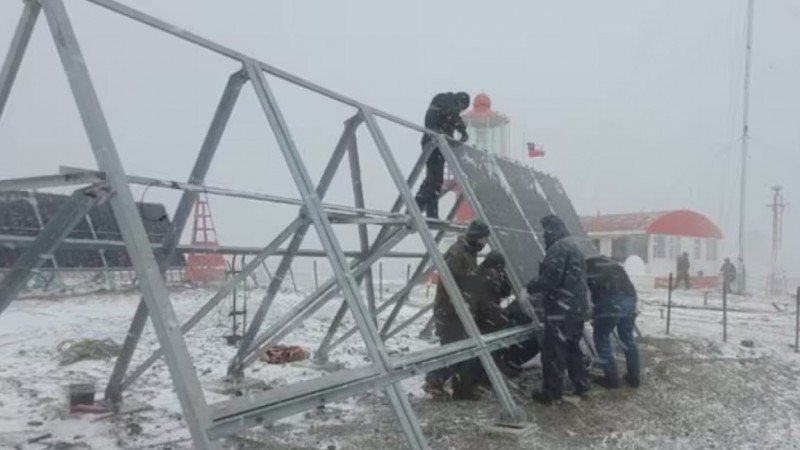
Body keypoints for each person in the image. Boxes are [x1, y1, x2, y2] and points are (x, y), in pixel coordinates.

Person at [526, 215, 591, 404]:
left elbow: (550, 279)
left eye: (545, 232)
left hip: (561, 310)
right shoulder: (574, 246)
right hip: (576, 307)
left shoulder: (558, 248)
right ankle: (582, 385)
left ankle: (551, 393)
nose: (543, 236)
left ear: (551, 230)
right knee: (572, 348)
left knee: (553, 351)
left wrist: (530, 287)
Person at [423, 219, 490, 400]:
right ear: (476, 237)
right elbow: (452, 281)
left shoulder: (468, 252)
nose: (484, 244)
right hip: (450, 310)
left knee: (462, 349)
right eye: (484, 239)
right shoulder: (458, 252)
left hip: (459, 310)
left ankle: (460, 387)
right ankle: (433, 381)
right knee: (453, 349)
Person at [586, 255, 641, 389]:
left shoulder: (583, 267)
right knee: (627, 338)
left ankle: (612, 378)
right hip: (630, 297)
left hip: (612, 300)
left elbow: (585, 292)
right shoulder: (609, 264)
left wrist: (596, 313)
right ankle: (634, 377)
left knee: (601, 337)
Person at [415, 92, 470, 219]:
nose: (460, 111)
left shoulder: (448, 106)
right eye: (462, 108)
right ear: (460, 102)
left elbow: (453, 118)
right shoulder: (446, 101)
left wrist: (461, 131)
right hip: (433, 143)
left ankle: (431, 213)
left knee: (436, 180)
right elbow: (448, 118)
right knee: (433, 178)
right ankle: (416, 207)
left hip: (439, 145)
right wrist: (460, 130)